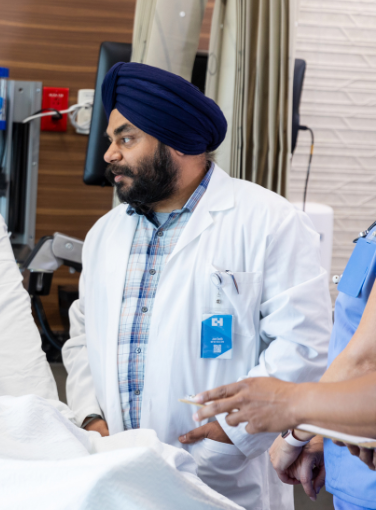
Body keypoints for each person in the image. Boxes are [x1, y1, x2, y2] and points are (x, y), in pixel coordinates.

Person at [62, 62, 332, 510]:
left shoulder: (268, 221)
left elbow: (303, 343)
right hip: (115, 472)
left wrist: (232, 435)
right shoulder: (104, 235)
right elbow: (81, 339)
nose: (109, 155)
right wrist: (90, 417)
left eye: (125, 139)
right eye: (111, 140)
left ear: (178, 141)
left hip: (225, 478)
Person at [193, 221, 376, 509]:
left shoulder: (277, 221)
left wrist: (296, 430)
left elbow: (363, 361)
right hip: (354, 472)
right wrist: (322, 432)